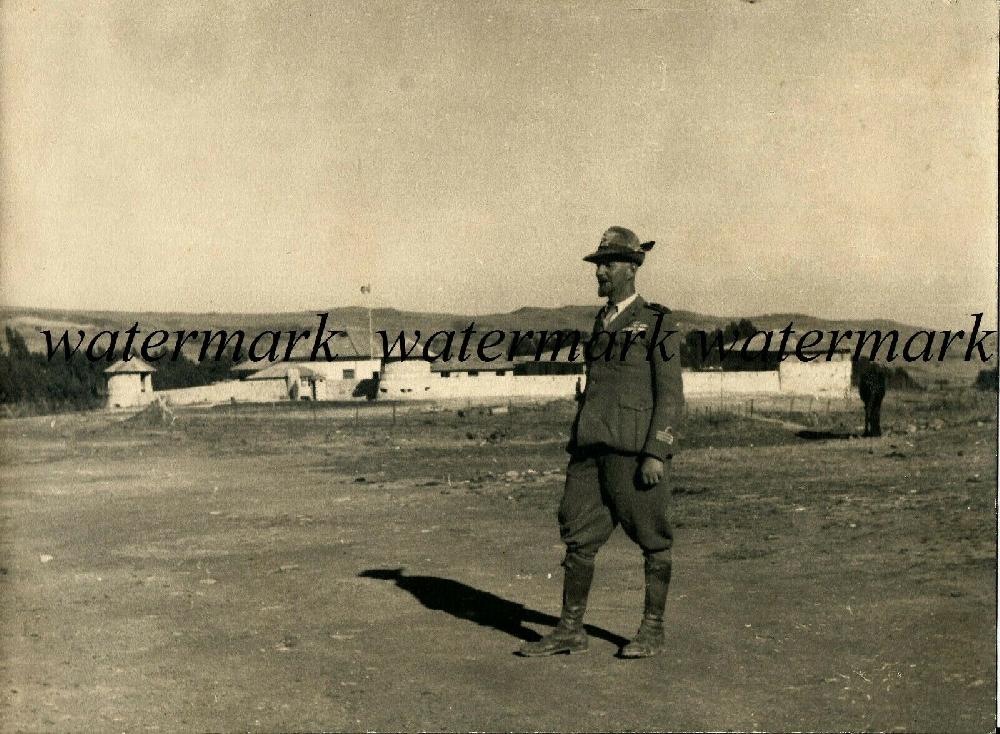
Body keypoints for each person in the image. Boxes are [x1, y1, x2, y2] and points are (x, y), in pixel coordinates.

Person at [517, 226, 684, 659]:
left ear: (630, 269)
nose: (600, 273)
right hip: (590, 447)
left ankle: (652, 628)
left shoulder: (657, 323)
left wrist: (656, 452)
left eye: (607, 265)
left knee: (652, 538)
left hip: (633, 453)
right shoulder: (601, 321)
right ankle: (570, 629)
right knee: (578, 533)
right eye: (598, 266)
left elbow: (669, 396)